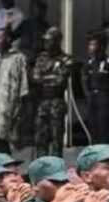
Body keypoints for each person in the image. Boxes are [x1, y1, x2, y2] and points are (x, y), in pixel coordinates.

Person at [32, 27, 71, 157]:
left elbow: (59, 81)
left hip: (57, 102)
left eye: (49, 41)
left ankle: (56, 171)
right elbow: (35, 78)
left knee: (56, 140)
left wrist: (44, 78)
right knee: (40, 140)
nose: (46, 44)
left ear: (57, 41)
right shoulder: (41, 58)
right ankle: (40, 169)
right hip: (42, 102)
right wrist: (49, 77)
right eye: (45, 41)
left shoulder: (66, 59)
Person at [83, 32, 109, 147]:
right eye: (90, 45)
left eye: (93, 45)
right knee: (93, 126)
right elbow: (86, 81)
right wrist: (88, 94)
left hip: (105, 98)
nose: (90, 48)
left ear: (102, 46)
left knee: (104, 128)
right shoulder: (90, 64)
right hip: (92, 98)